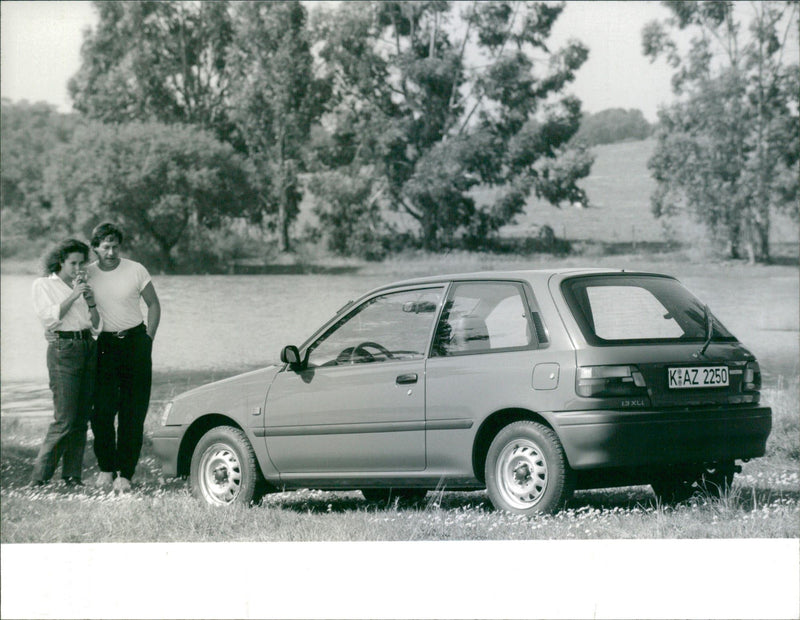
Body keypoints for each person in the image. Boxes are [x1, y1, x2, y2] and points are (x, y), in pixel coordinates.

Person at [87, 222, 161, 493]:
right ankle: (106, 468)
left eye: (115, 246)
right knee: (102, 411)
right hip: (105, 345)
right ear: (95, 247)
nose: (111, 251)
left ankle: (125, 474)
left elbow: (154, 304)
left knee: (133, 411)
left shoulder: (136, 269)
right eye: (105, 246)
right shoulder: (88, 274)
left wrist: (149, 339)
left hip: (136, 342)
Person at [31, 239, 101, 487]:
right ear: (60, 261)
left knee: (82, 418)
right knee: (65, 419)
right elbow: (50, 320)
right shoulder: (43, 285)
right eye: (73, 263)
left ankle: (72, 477)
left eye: (82, 262)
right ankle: (39, 479)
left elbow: (95, 324)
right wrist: (74, 295)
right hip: (64, 349)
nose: (78, 268)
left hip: (87, 346)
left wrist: (90, 301)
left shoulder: (83, 285)